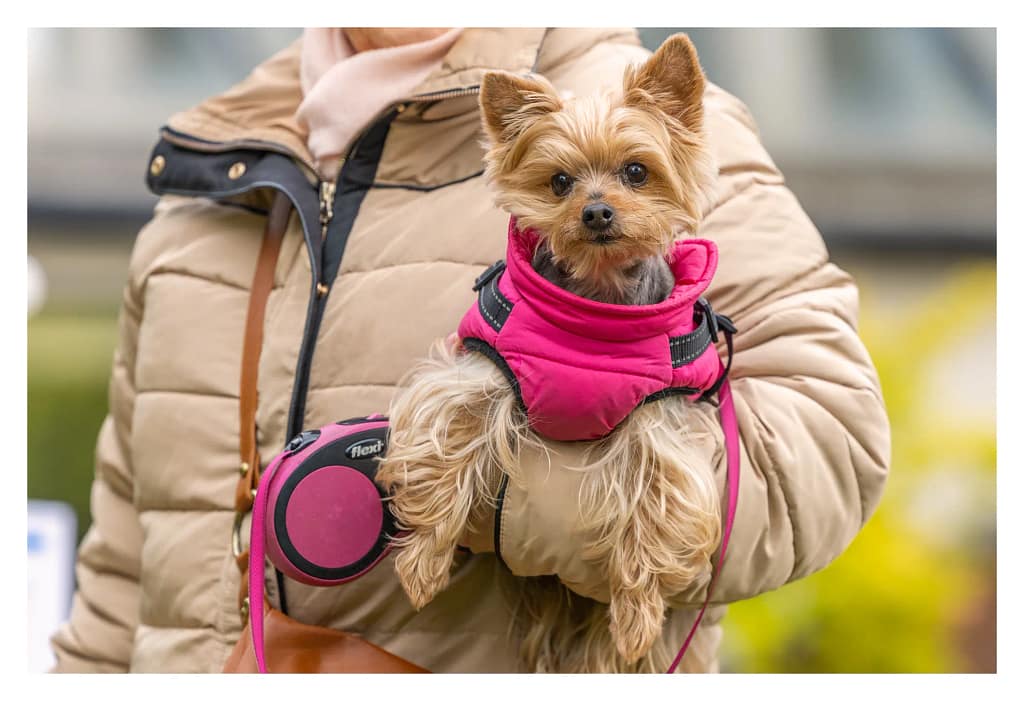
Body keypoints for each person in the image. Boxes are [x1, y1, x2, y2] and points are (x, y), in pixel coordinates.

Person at [50, 27, 890, 673]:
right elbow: (125, 569)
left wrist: (482, 487)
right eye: (563, 185)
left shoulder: (650, 115)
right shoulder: (205, 174)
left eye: (622, 183)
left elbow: (829, 444)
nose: (598, 204)